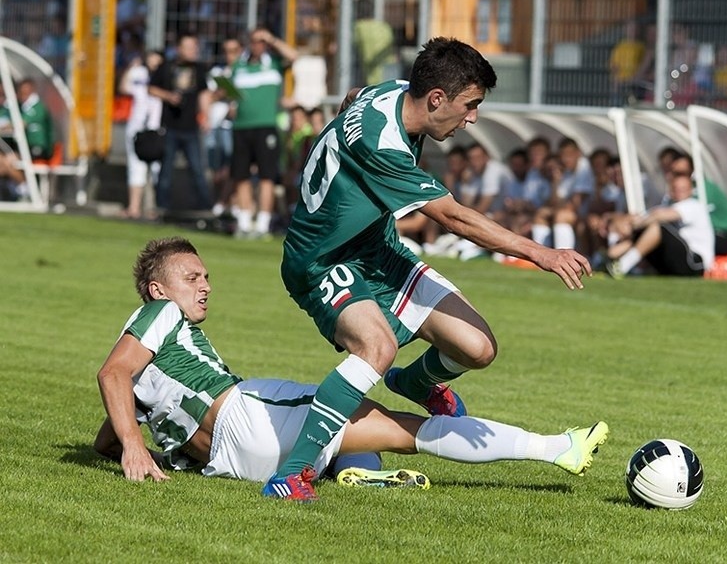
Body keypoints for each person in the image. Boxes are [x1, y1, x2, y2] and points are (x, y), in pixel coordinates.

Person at [269, 37, 592, 501]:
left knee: (478, 348)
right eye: (471, 105)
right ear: (437, 99)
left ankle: (414, 381)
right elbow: (454, 217)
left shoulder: (399, 91)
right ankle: (292, 473)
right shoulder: (383, 145)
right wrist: (541, 253)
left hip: (378, 250)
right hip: (323, 261)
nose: (473, 118)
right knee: (375, 347)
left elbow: (354, 98)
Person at [94, 237, 608, 498]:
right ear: (158, 290)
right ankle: (556, 449)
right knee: (400, 427)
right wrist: (135, 450)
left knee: (350, 435)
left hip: (231, 466)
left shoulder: (150, 360)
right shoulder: (159, 314)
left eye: (206, 275)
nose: (204, 285)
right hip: (247, 416)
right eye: (190, 277)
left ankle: (356, 477)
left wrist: (120, 444)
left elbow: (113, 419)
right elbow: (111, 374)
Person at [230, 27, 298, 238]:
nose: (257, 45)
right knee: (241, 175)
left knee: (267, 175)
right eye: (255, 41)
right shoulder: (239, 66)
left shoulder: (274, 63)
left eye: (261, 41)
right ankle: (244, 221)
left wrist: (272, 38)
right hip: (241, 126)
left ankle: (262, 223)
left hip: (265, 125)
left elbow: (294, 56)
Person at [148, 32, 213, 213]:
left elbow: (203, 94)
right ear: (179, 49)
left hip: (191, 127)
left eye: (195, 47)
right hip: (170, 127)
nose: (194, 51)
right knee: (166, 170)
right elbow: (151, 88)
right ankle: (162, 206)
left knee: (198, 169)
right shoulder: (167, 67)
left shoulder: (199, 70)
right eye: (190, 47)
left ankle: (205, 207)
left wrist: (205, 117)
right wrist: (168, 96)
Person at [605, 172, 714, 278]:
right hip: (675, 260)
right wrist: (624, 222)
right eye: (676, 188)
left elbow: (660, 216)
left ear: (690, 190)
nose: (678, 191)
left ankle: (623, 265)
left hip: (695, 262)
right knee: (643, 232)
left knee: (659, 228)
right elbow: (642, 217)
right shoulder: (668, 205)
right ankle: (608, 261)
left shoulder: (693, 205)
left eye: (683, 189)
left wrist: (637, 224)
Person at [120, 50, 164, 220]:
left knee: (156, 169)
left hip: (156, 128)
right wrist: (131, 68)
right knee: (135, 167)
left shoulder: (163, 78)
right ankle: (134, 207)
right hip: (137, 127)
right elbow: (123, 88)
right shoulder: (139, 74)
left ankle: (152, 208)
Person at [667, 153, 727, 256]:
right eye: (675, 173)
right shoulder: (674, 192)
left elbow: (679, 213)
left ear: (691, 171)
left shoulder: (703, 190)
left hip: (723, 235)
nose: (679, 177)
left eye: (682, 173)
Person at [206, 35, 243, 217]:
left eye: (234, 51)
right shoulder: (217, 71)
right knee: (216, 170)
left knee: (231, 167)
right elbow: (210, 95)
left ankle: (229, 204)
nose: (230, 56)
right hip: (216, 124)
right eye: (227, 52)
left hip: (233, 126)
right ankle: (219, 204)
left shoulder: (244, 71)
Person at [609, 19, 646, 106]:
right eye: (630, 28)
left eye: (634, 29)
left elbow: (642, 65)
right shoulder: (619, 46)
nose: (632, 31)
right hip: (620, 81)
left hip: (634, 82)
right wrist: (617, 78)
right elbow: (613, 64)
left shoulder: (641, 47)